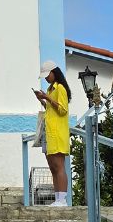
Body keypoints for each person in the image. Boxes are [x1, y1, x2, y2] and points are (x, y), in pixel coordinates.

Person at [33, 60, 70, 206]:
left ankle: (62, 200)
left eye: (47, 75)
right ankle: (58, 199)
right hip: (49, 133)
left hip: (57, 132)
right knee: (53, 167)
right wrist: (42, 100)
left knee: (59, 166)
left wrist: (47, 98)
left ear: (54, 72)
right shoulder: (50, 89)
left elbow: (62, 110)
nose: (46, 78)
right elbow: (51, 109)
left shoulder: (60, 88)